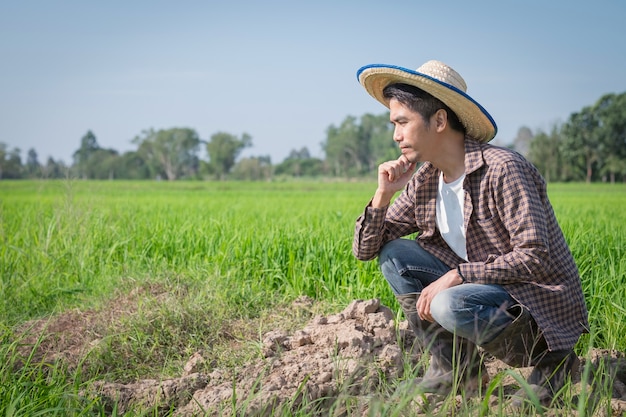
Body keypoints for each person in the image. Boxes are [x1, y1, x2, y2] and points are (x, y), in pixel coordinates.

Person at [352, 60, 588, 406]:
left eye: (402, 122)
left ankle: (553, 361)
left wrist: (459, 275)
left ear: (440, 120)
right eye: (394, 124)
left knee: (448, 303)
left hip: (535, 303)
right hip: (485, 292)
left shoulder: (504, 170)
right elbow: (366, 249)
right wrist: (382, 195)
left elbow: (534, 257)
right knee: (395, 255)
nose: (396, 135)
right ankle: (455, 370)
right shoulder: (426, 179)